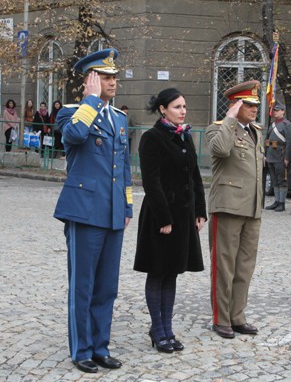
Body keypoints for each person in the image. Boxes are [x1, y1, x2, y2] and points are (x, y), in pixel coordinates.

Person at [53, 48, 132, 373]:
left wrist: (127, 204)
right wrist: (90, 101)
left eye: (114, 76)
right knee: (82, 285)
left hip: (113, 212)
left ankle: (100, 346)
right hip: (84, 211)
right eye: (106, 77)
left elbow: (124, 167)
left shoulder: (120, 118)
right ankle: (81, 349)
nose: (113, 82)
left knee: (107, 287)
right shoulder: (71, 112)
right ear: (91, 80)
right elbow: (72, 136)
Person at [133, 88, 206, 353]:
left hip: (184, 216)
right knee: (158, 271)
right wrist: (164, 218)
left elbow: (195, 176)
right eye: (177, 107)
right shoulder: (152, 138)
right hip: (161, 216)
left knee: (173, 272)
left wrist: (200, 210)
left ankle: (166, 327)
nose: (183, 111)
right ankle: (158, 329)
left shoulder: (184, 135)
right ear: (163, 109)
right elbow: (151, 182)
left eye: (184, 106)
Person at [206, 80, 263, 339]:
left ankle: (238, 316)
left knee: (244, 266)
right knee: (224, 265)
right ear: (235, 105)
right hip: (228, 206)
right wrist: (229, 119)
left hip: (252, 208)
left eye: (255, 105)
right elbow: (220, 149)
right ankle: (222, 318)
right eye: (248, 104)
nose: (254, 109)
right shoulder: (218, 129)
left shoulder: (256, 132)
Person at [264, 101, 291, 212]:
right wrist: (265, 154)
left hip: (280, 155)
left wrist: (287, 157)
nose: (275, 112)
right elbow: (267, 141)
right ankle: (276, 201)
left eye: (277, 110)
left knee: (282, 180)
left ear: (283, 111)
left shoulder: (287, 125)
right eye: (274, 110)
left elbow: (289, 142)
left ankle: (281, 203)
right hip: (271, 155)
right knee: (274, 180)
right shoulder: (272, 124)